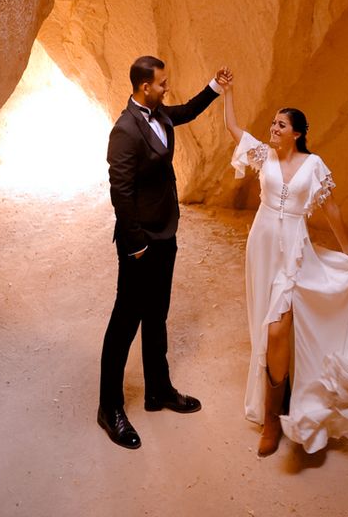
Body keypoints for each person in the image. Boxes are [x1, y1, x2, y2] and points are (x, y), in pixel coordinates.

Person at [221, 80, 348, 457]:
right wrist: (228, 93)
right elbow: (233, 128)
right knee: (267, 325)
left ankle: (271, 419)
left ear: (296, 132)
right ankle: (280, 394)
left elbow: (331, 208)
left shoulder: (313, 165)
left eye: (281, 125)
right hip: (261, 246)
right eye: (272, 124)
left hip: (295, 251)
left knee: (278, 329)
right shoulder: (262, 155)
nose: (273, 129)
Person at [98, 55, 232, 449]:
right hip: (140, 243)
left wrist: (215, 86)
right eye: (161, 84)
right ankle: (109, 408)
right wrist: (136, 243)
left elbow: (187, 110)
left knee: (157, 315)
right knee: (125, 324)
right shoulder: (125, 130)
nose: (166, 88)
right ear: (144, 87)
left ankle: (159, 390)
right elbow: (119, 191)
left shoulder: (159, 114)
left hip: (165, 233)